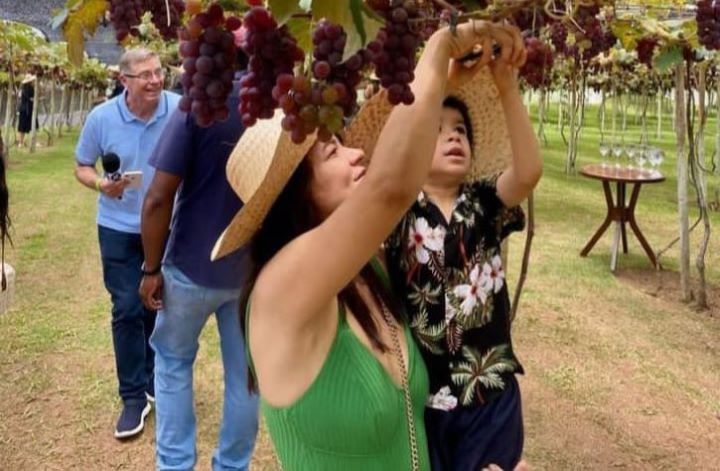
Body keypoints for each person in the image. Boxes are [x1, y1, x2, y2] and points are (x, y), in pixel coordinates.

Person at [210, 20, 524, 470]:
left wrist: (443, 85)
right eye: (332, 153)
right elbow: (391, 187)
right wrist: (438, 48)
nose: (356, 153)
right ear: (292, 196)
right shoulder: (279, 291)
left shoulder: (369, 271)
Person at [374, 51, 541, 470]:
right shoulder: (396, 215)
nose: (454, 137)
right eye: (437, 130)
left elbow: (528, 173)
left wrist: (507, 88)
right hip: (424, 400)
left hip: (490, 395)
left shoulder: (485, 202)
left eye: (461, 131)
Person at [139, 51, 259, 471]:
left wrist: (150, 269)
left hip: (190, 265)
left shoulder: (200, 102)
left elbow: (157, 198)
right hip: (250, 273)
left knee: (172, 363)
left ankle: (174, 466)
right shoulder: (280, 109)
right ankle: (232, 465)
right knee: (245, 376)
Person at [74, 48, 181, 440]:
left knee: (159, 304)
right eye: (145, 75)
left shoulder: (181, 109)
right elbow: (82, 165)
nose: (155, 80)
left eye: (158, 73)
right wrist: (102, 184)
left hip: (169, 225)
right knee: (126, 308)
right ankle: (133, 396)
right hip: (118, 226)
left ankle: (154, 380)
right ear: (125, 81)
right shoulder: (101, 118)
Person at [17, 74, 37, 148]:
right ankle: (21, 142)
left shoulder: (24, 89)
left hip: (24, 109)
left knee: (22, 126)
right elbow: (30, 99)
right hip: (26, 110)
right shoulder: (29, 89)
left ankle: (21, 142)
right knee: (24, 126)